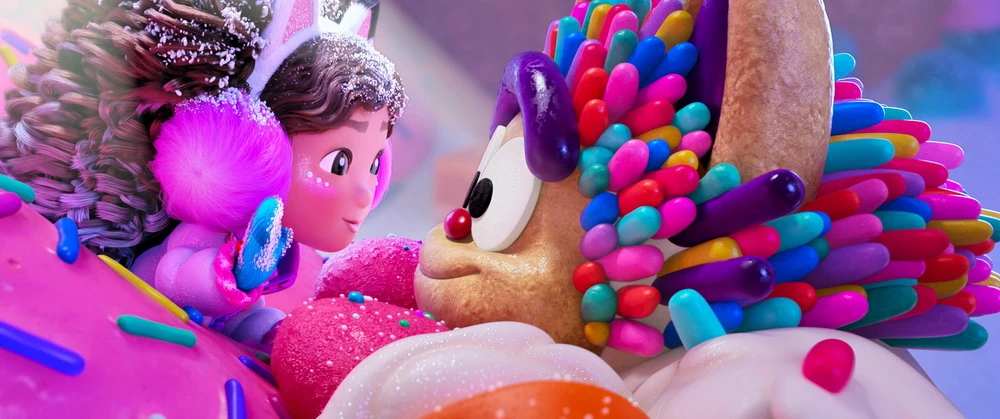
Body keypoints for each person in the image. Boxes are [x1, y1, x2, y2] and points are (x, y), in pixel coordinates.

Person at [0, 0, 406, 345]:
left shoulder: (267, 234)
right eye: (339, 163)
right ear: (238, 143)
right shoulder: (204, 231)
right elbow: (171, 274)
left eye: (374, 164)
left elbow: (233, 314)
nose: (366, 192)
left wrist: (265, 329)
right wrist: (230, 275)